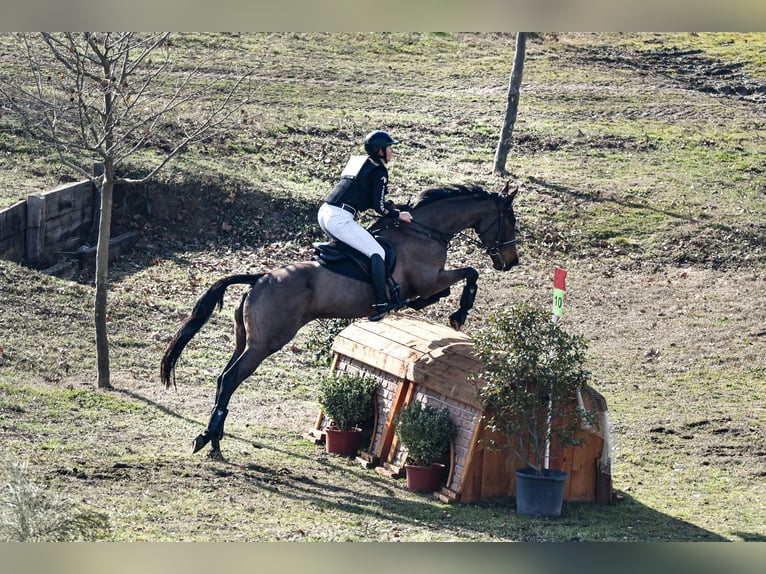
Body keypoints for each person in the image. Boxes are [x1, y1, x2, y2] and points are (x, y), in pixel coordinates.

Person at [318, 130, 413, 321]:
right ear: (379, 151)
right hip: (340, 218)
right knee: (377, 252)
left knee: (360, 248)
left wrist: (387, 206)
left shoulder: (359, 163)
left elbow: (365, 197)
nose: (391, 152)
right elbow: (377, 206)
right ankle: (380, 303)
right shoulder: (378, 170)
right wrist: (397, 214)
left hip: (325, 212)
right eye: (389, 148)